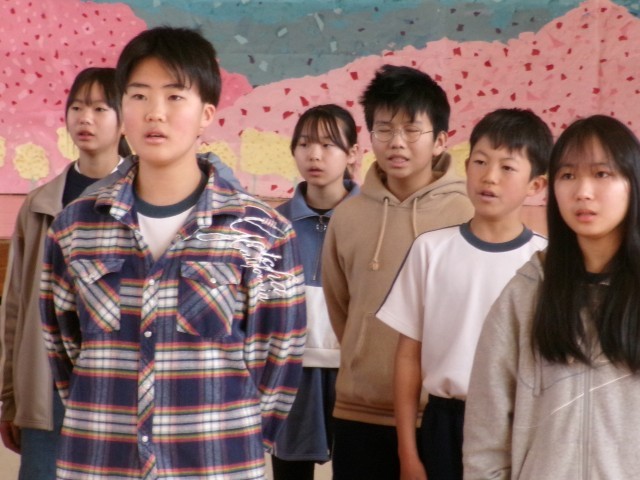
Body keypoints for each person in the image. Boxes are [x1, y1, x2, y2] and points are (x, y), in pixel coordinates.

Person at [39, 27, 306, 479]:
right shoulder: (75, 227)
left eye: (175, 96)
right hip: (100, 462)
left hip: (216, 463)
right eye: (139, 96)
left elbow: (278, 358)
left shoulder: (262, 232)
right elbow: (64, 349)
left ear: (206, 113)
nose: (155, 113)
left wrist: (235, 433)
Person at [377, 108, 552, 480]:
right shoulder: (430, 250)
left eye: (508, 167)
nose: (490, 177)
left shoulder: (546, 263)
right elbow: (407, 357)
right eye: (480, 161)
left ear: (536, 185)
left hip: (517, 424)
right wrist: (408, 453)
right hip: (443, 422)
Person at [463, 114, 640, 479]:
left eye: (602, 174)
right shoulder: (527, 292)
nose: (583, 191)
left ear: (633, 183)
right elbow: (486, 434)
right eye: (568, 175)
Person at [321, 64, 474, 479]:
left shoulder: (467, 214)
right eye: (384, 129)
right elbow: (342, 308)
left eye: (411, 129)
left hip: (440, 414)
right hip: (357, 411)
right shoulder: (347, 216)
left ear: (440, 140)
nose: (397, 142)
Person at [0, 66, 130, 480]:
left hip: (118, 381)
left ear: (124, 119)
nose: (85, 118)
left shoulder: (142, 197)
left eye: (99, 108)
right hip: (47, 382)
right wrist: (9, 397)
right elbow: (17, 305)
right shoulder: (41, 203)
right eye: (77, 107)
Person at [271, 104, 360, 480]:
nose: (314, 155)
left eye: (328, 144)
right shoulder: (273, 224)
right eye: (305, 143)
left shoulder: (371, 220)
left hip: (355, 373)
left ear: (352, 153)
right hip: (291, 373)